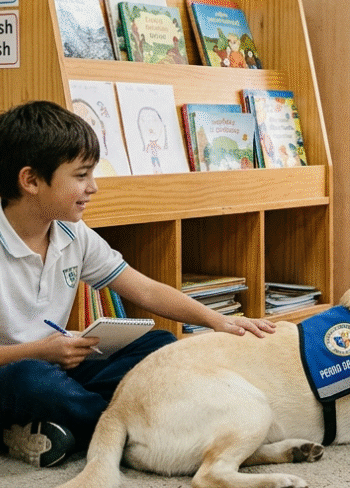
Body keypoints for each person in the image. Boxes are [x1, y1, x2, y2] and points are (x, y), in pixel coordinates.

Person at [0, 101, 276, 469]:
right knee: (31, 380)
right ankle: (127, 429)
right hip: (16, 369)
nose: (93, 187)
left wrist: (216, 320)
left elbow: (143, 289)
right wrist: (39, 351)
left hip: (57, 359)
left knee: (159, 346)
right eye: (81, 176)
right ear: (31, 180)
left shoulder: (72, 233)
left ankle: (59, 427)